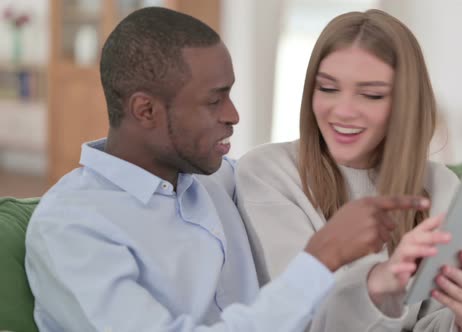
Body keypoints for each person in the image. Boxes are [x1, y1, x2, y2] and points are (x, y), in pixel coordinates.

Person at [24, 7, 431, 332]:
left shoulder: (225, 179)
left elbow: (330, 188)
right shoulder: (72, 226)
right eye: (214, 101)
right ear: (145, 110)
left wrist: (436, 253)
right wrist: (318, 260)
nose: (234, 115)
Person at [236, 9, 462, 332]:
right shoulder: (269, 173)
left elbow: (431, 323)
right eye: (328, 88)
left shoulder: (440, 184)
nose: (344, 111)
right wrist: (379, 282)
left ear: (406, 103)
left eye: (371, 94)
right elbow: (300, 320)